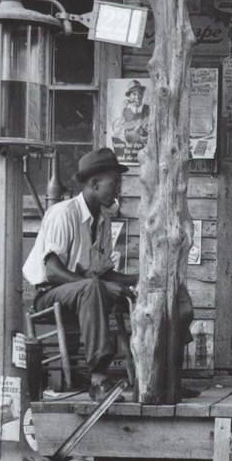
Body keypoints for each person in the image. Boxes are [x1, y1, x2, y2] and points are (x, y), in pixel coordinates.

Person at [23, 148, 193, 401]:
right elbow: (53, 271)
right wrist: (99, 286)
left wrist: (145, 278)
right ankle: (98, 379)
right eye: (114, 183)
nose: (118, 189)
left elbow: (104, 272)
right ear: (94, 183)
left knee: (162, 291)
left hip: (83, 292)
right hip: (48, 295)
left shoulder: (101, 219)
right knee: (93, 287)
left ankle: (164, 378)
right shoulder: (63, 213)